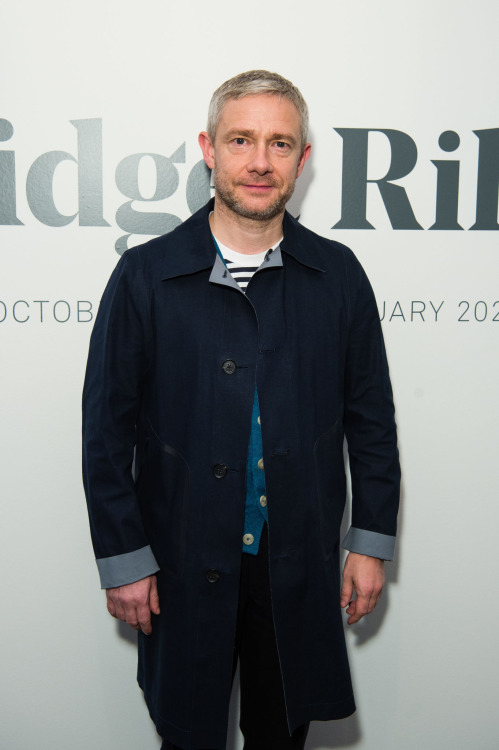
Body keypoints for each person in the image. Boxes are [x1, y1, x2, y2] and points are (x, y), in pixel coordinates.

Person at [82, 70, 400, 750]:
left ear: (302, 159)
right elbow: (105, 432)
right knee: (187, 733)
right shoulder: (145, 275)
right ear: (208, 148)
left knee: (282, 733)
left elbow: (370, 418)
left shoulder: (337, 274)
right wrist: (124, 558)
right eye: (241, 140)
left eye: (280, 143)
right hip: (178, 561)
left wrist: (368, 543)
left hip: (297, 561)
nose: (259, 161)